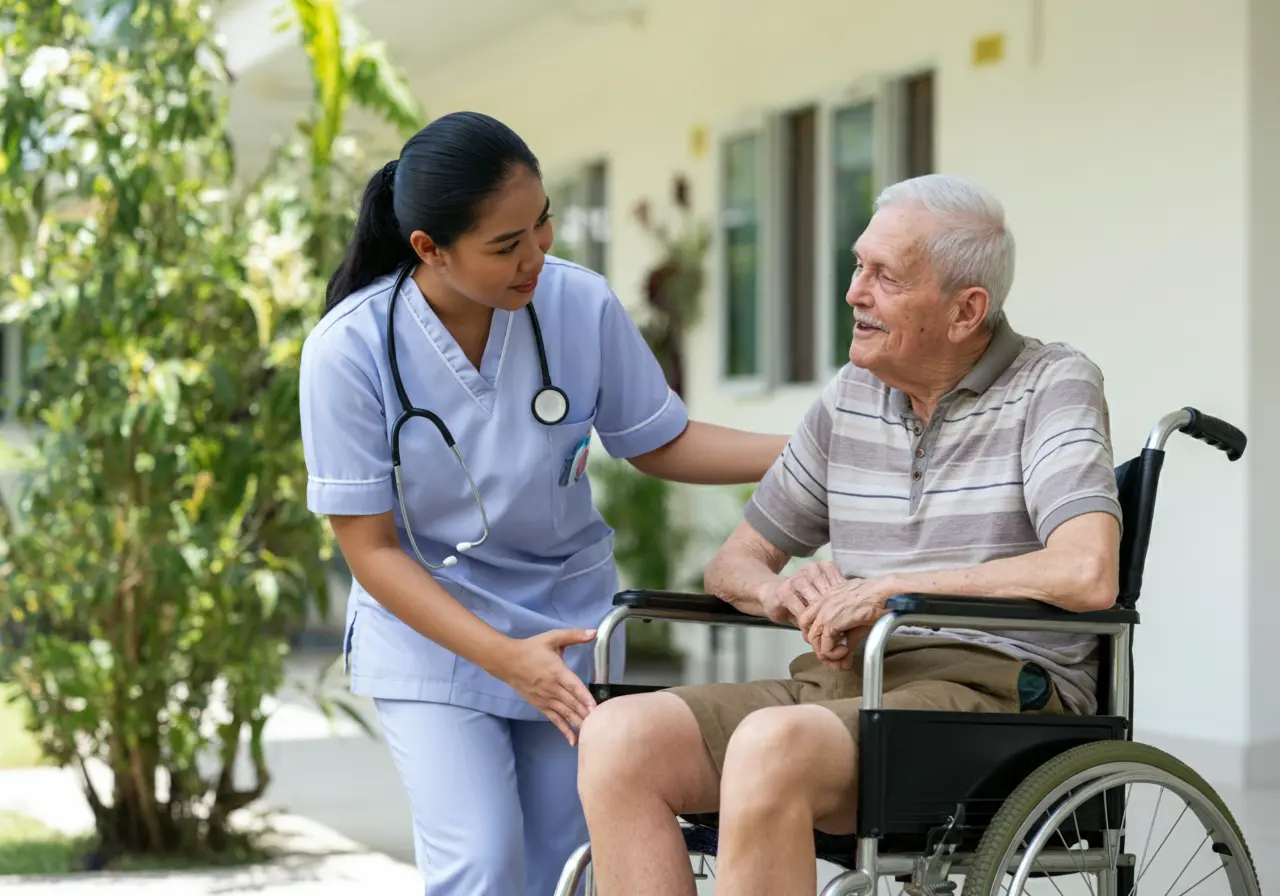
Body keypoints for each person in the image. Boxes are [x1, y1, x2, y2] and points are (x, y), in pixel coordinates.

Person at [575, 173, 1124, 896]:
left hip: (990, 701)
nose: (853, 293)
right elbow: (734, 564)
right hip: (840, 688)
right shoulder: (851, 398)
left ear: (967, 311)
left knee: (771, 747)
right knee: (618, 738)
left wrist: (893, 589)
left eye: (885, 276)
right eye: (858, 266)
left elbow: (1087, 572)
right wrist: (780, 589)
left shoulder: (1051, 385)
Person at [298, 110, 788, 896]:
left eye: (543, 223)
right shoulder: (349, 349)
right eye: (505, 245)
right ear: (429, 248)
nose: (536, 256)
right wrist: (501, 657)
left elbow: (656, 438)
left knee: (575, 860)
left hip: (567, 623)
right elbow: (371, 549)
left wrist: (806, 452)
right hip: (433, 633)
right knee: (484, 863)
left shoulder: (577, 305)